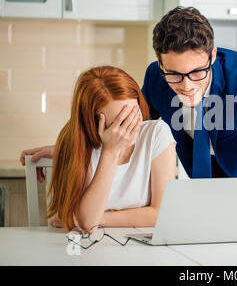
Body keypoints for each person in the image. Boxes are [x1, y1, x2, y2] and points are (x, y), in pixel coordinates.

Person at [20, 6, 237, 223]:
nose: (186, 86)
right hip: (211, 197)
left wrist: (232, 215)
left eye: (197, 72)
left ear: (212, 55)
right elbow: (132, 132)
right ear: (160, 63)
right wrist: (73, 147)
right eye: (174, 74)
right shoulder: (157, 80)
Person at [21, 66, 176, 232]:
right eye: (119, 123)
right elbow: (88, 222)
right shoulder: (81, 146)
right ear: (93, 124)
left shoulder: (157, 133)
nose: (130, 129)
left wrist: (95, 218)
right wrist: (110, 151)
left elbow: (160, 213)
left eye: (133, 115)